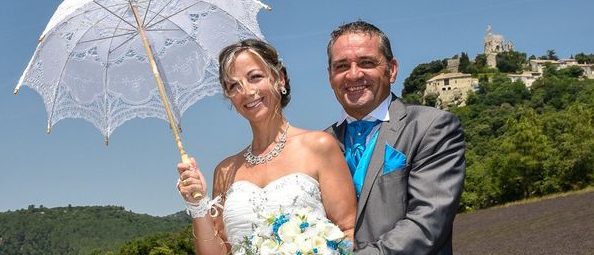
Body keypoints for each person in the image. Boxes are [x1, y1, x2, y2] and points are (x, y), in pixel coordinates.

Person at [177, 39, 357, 255]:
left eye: (255, 77)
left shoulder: (318, 146)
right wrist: (197, 206)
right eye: (234, 85)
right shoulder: (224, 171)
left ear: (279, 78)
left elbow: (348, 231)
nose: (247, 91)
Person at [325, 21, 465, 255]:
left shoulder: (432, 127)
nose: (353, 74)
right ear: (330, 76)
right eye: (341, 66)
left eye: (366, 62)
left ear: (392, 70)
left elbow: (426, 224)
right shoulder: (316, 145)